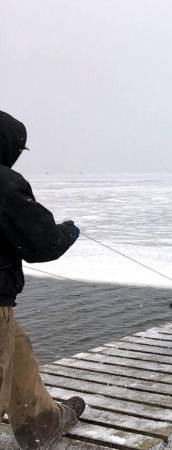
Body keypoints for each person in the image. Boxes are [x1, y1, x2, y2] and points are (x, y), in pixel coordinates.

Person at [0, 111, 85, 449]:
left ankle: (41, 421)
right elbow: (42, 243)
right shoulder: (4, 182)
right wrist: (68, 231)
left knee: (17, 348)